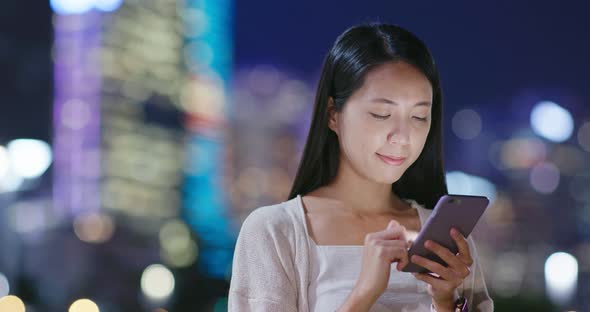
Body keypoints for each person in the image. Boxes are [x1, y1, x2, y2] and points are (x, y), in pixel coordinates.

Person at [228, 23, 493, 312]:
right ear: (333, 115)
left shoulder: (447, 242)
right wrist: (364, 293)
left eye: (419, 116)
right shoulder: (275, 232)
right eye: (381, 114)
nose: (402, 137)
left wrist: (445, 301)